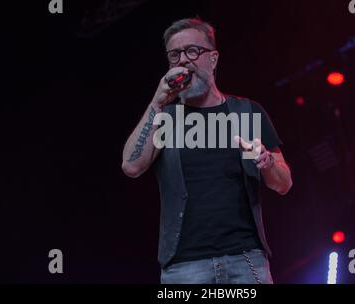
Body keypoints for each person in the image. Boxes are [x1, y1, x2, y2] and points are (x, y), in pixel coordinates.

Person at [122, 18, 292, 284]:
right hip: (184, 268)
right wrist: (158, 100)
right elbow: (131, 166)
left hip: (246, 262)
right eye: (174, 55)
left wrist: (267, 163)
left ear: (213, 59)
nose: (183, 61)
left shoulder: (247, 112)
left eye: (192, 51)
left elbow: (284, 184)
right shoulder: (165, 117)